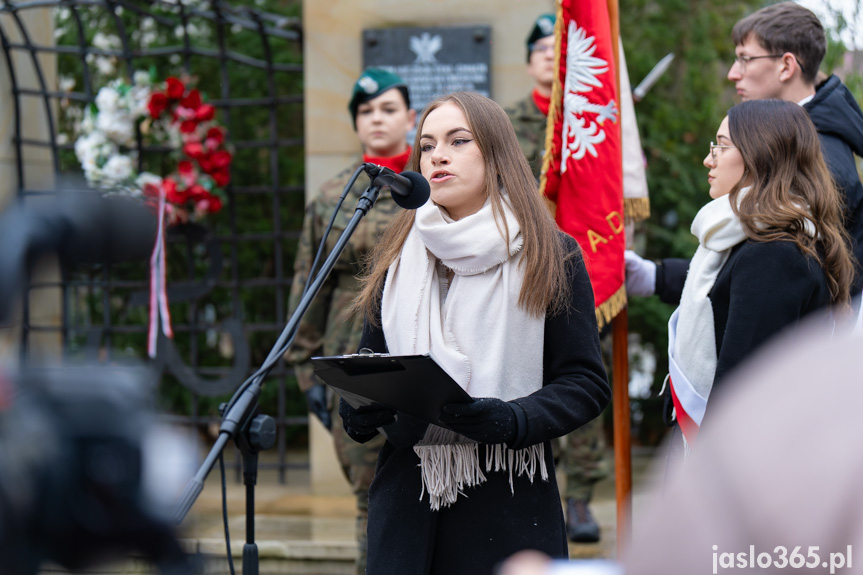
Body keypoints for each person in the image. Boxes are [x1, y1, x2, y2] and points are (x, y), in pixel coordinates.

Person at [341, 91, 611, 574]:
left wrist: (512, 419)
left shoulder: (552, 252)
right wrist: (360, 407)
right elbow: (373, 358)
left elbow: (586, 384)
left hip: (507, 502)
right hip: (408, 501)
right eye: (426, 145)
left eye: (457, 141)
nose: (437, 155)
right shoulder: (399, 252)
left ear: (497, 153)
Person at [624, 99, 853, 454]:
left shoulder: (775, 255)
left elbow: (743, 390)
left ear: (760, 154)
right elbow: (727, 287)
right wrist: (654, 276)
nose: (708, 159)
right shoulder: (759, 237)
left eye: (722, 146)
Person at [284, 67, 415, 575]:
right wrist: (305, 371)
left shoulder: (434, 185)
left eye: (387, 109)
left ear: (409, 117)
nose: (376, 119)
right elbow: (309, 282)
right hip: (354, 359)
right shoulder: (334, 194)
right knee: (369, 491)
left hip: (422, 353)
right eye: (366, 111)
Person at [505, 13, 610, 543]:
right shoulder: (504, 126)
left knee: (577, 378)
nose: (550, 54)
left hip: (580, 267)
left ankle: (581, 497)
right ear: (528, 61)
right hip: (520, 271)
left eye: (558, 47)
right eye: (541, 48)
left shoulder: (591, 121)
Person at [726, 1, 863, 293]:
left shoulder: (821, 161)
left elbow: (771, 279)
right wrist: (656, 277)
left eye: (745, 59)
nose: (732, 73)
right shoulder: (791, 142)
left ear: (786, 66)